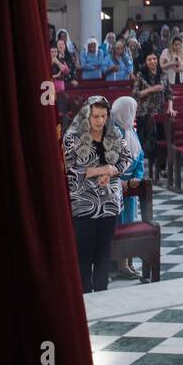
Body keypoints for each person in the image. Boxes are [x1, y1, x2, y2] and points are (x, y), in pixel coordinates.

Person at [63, 96, 131, 293]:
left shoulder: (114, 132)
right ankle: (84, 293)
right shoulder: (72, 137)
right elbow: (69, 167)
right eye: (95, 116)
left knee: (104, 251)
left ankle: (102, 292)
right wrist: (100, 170)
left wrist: (112, 171)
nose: (100, 121)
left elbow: (126, 158)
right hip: (83, 202)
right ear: (86, 115)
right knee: (83, 252)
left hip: (109, 201)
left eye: (103, 116)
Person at [109, 95, 146, 280]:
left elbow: (140, 156)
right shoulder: (111, 132)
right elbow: (107, 160)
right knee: (118, 225)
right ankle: (118, 265)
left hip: (130, 189)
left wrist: (137, 178)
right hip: (114, 188)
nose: (135, 113)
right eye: (133, 109)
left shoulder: (130, 129)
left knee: (129, 223)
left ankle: (128, 262)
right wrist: (119, 179)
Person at [132, 51, 169, 164]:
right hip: (144, 112)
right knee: (146, 141)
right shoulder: (141, 75)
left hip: (159, 111)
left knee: (159, 139)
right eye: (149, 59)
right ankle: (143, 167)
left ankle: (160, 167)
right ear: (145, 62)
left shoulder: (163, 74)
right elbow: (135, 94)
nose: (152, 61)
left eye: (154, 59)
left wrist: (170, 107)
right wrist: (151, 90)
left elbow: (169, 92)